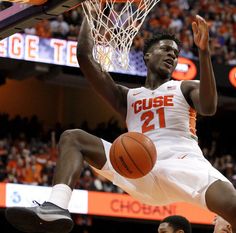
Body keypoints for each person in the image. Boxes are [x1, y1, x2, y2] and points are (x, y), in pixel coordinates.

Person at [5, 14, 236, 233]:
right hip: (140, 170)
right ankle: (56, 206)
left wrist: (204, 52)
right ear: (147, 55)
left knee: (233, 207)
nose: (172, 56)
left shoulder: (184, 87)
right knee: (73, 138)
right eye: (166, 49)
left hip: (183, 163)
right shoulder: (126, 96)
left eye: (175, 54)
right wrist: (92, 14)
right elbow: (85, 57)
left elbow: (208, 107)